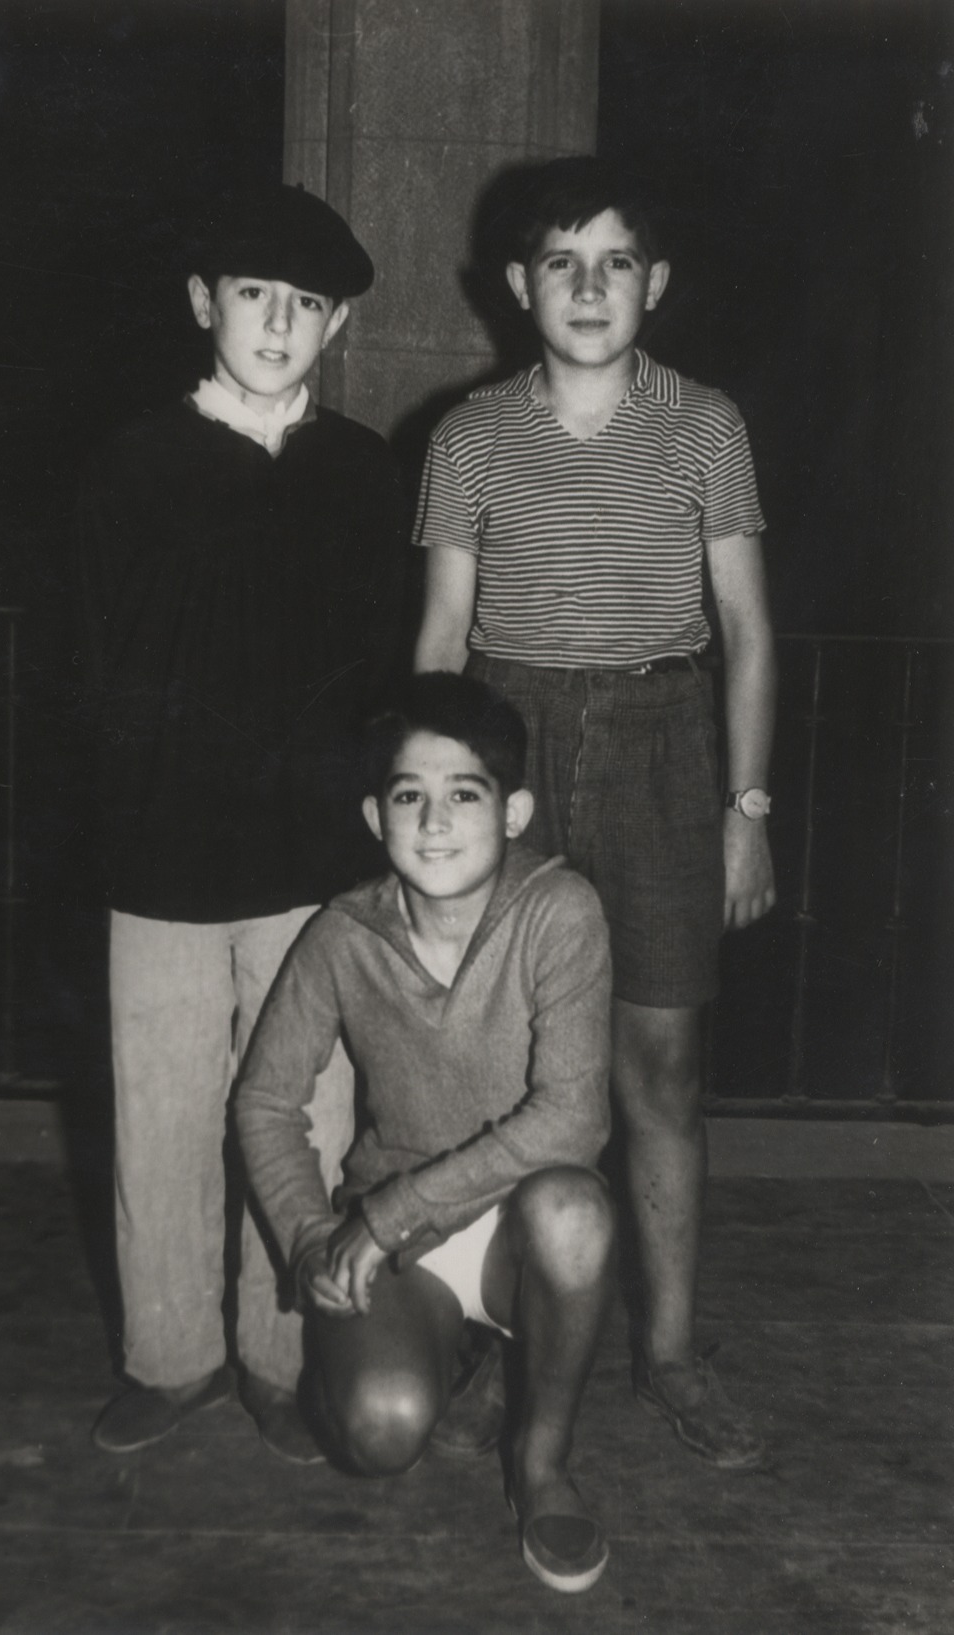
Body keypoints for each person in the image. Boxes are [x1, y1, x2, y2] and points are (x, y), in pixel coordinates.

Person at [412, 156, 776, 1470]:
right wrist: (437, 805)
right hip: (508, 740)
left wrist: (744, 808)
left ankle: (669, 1351)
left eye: (614, 261)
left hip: (664, 745)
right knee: (509, 1063)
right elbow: (441, 637)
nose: (586, 286)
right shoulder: (467, 436)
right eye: (560, 262)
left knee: (658, 1066)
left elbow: (746, 630)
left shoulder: (706, 426)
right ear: (518, 286)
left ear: (652, 284)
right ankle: (499, 1337)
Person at [76, 181, 407, 1460]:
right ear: (202, 302)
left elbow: (383, 667)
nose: (277, 322)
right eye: (253, 295)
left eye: (305, 303)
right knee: (159, 1105)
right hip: (160, 847)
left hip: (312, 854)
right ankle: (171, 1358)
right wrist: (112, 812)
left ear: (335, 326)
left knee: (305, 1111)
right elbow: (92, 660)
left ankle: (280, 1355)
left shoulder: (362, 471)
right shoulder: (130, 461)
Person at [236, 672, 615, 1593]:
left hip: (517, 1224)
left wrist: (391, 1215)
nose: (435, 821)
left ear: (514, 811)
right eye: (409, 796)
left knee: (577, 1211)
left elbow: (573, 1117)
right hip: (404, 1244)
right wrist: (311, 1235)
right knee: (379, 1432)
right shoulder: (340, 935)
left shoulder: (561, 911)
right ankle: (446, 1348)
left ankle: (542, 1462)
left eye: (465, 795)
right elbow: (264, 1101)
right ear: (376, 816)